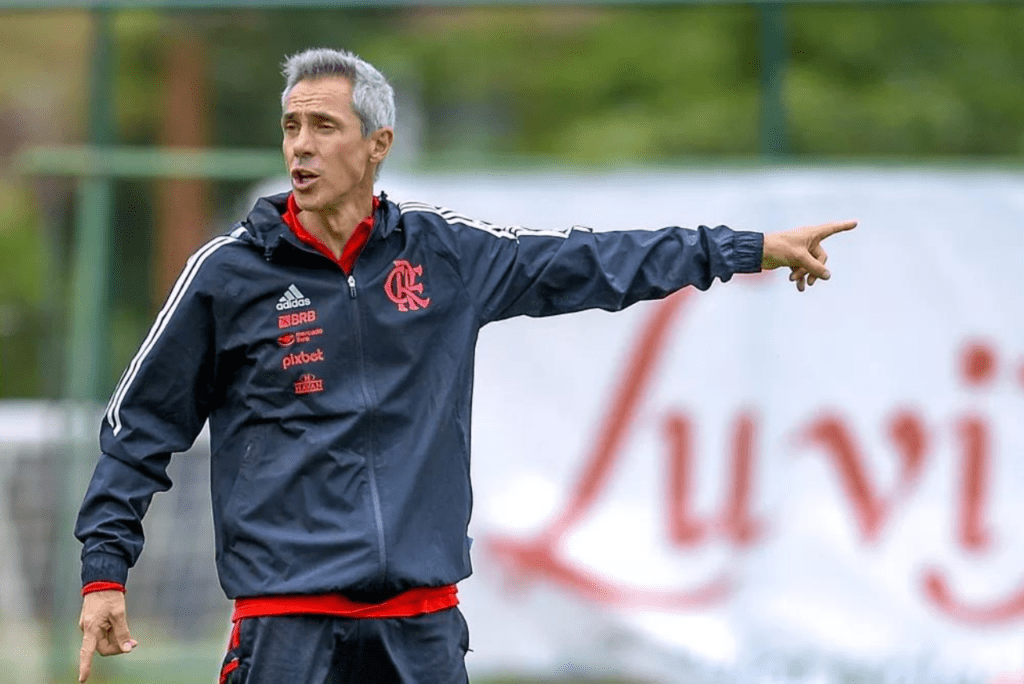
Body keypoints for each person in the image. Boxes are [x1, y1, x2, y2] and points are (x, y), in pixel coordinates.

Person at [74, 47, 855, 684]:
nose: (301, 146)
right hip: (286, 629)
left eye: (324, 126)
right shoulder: (227, 274)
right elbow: (139, 429)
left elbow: (591, 262)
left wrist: (748, 248)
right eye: (291, 126)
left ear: (377, 144)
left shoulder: (444, 255)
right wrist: (105, 572)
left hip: (421, 630)